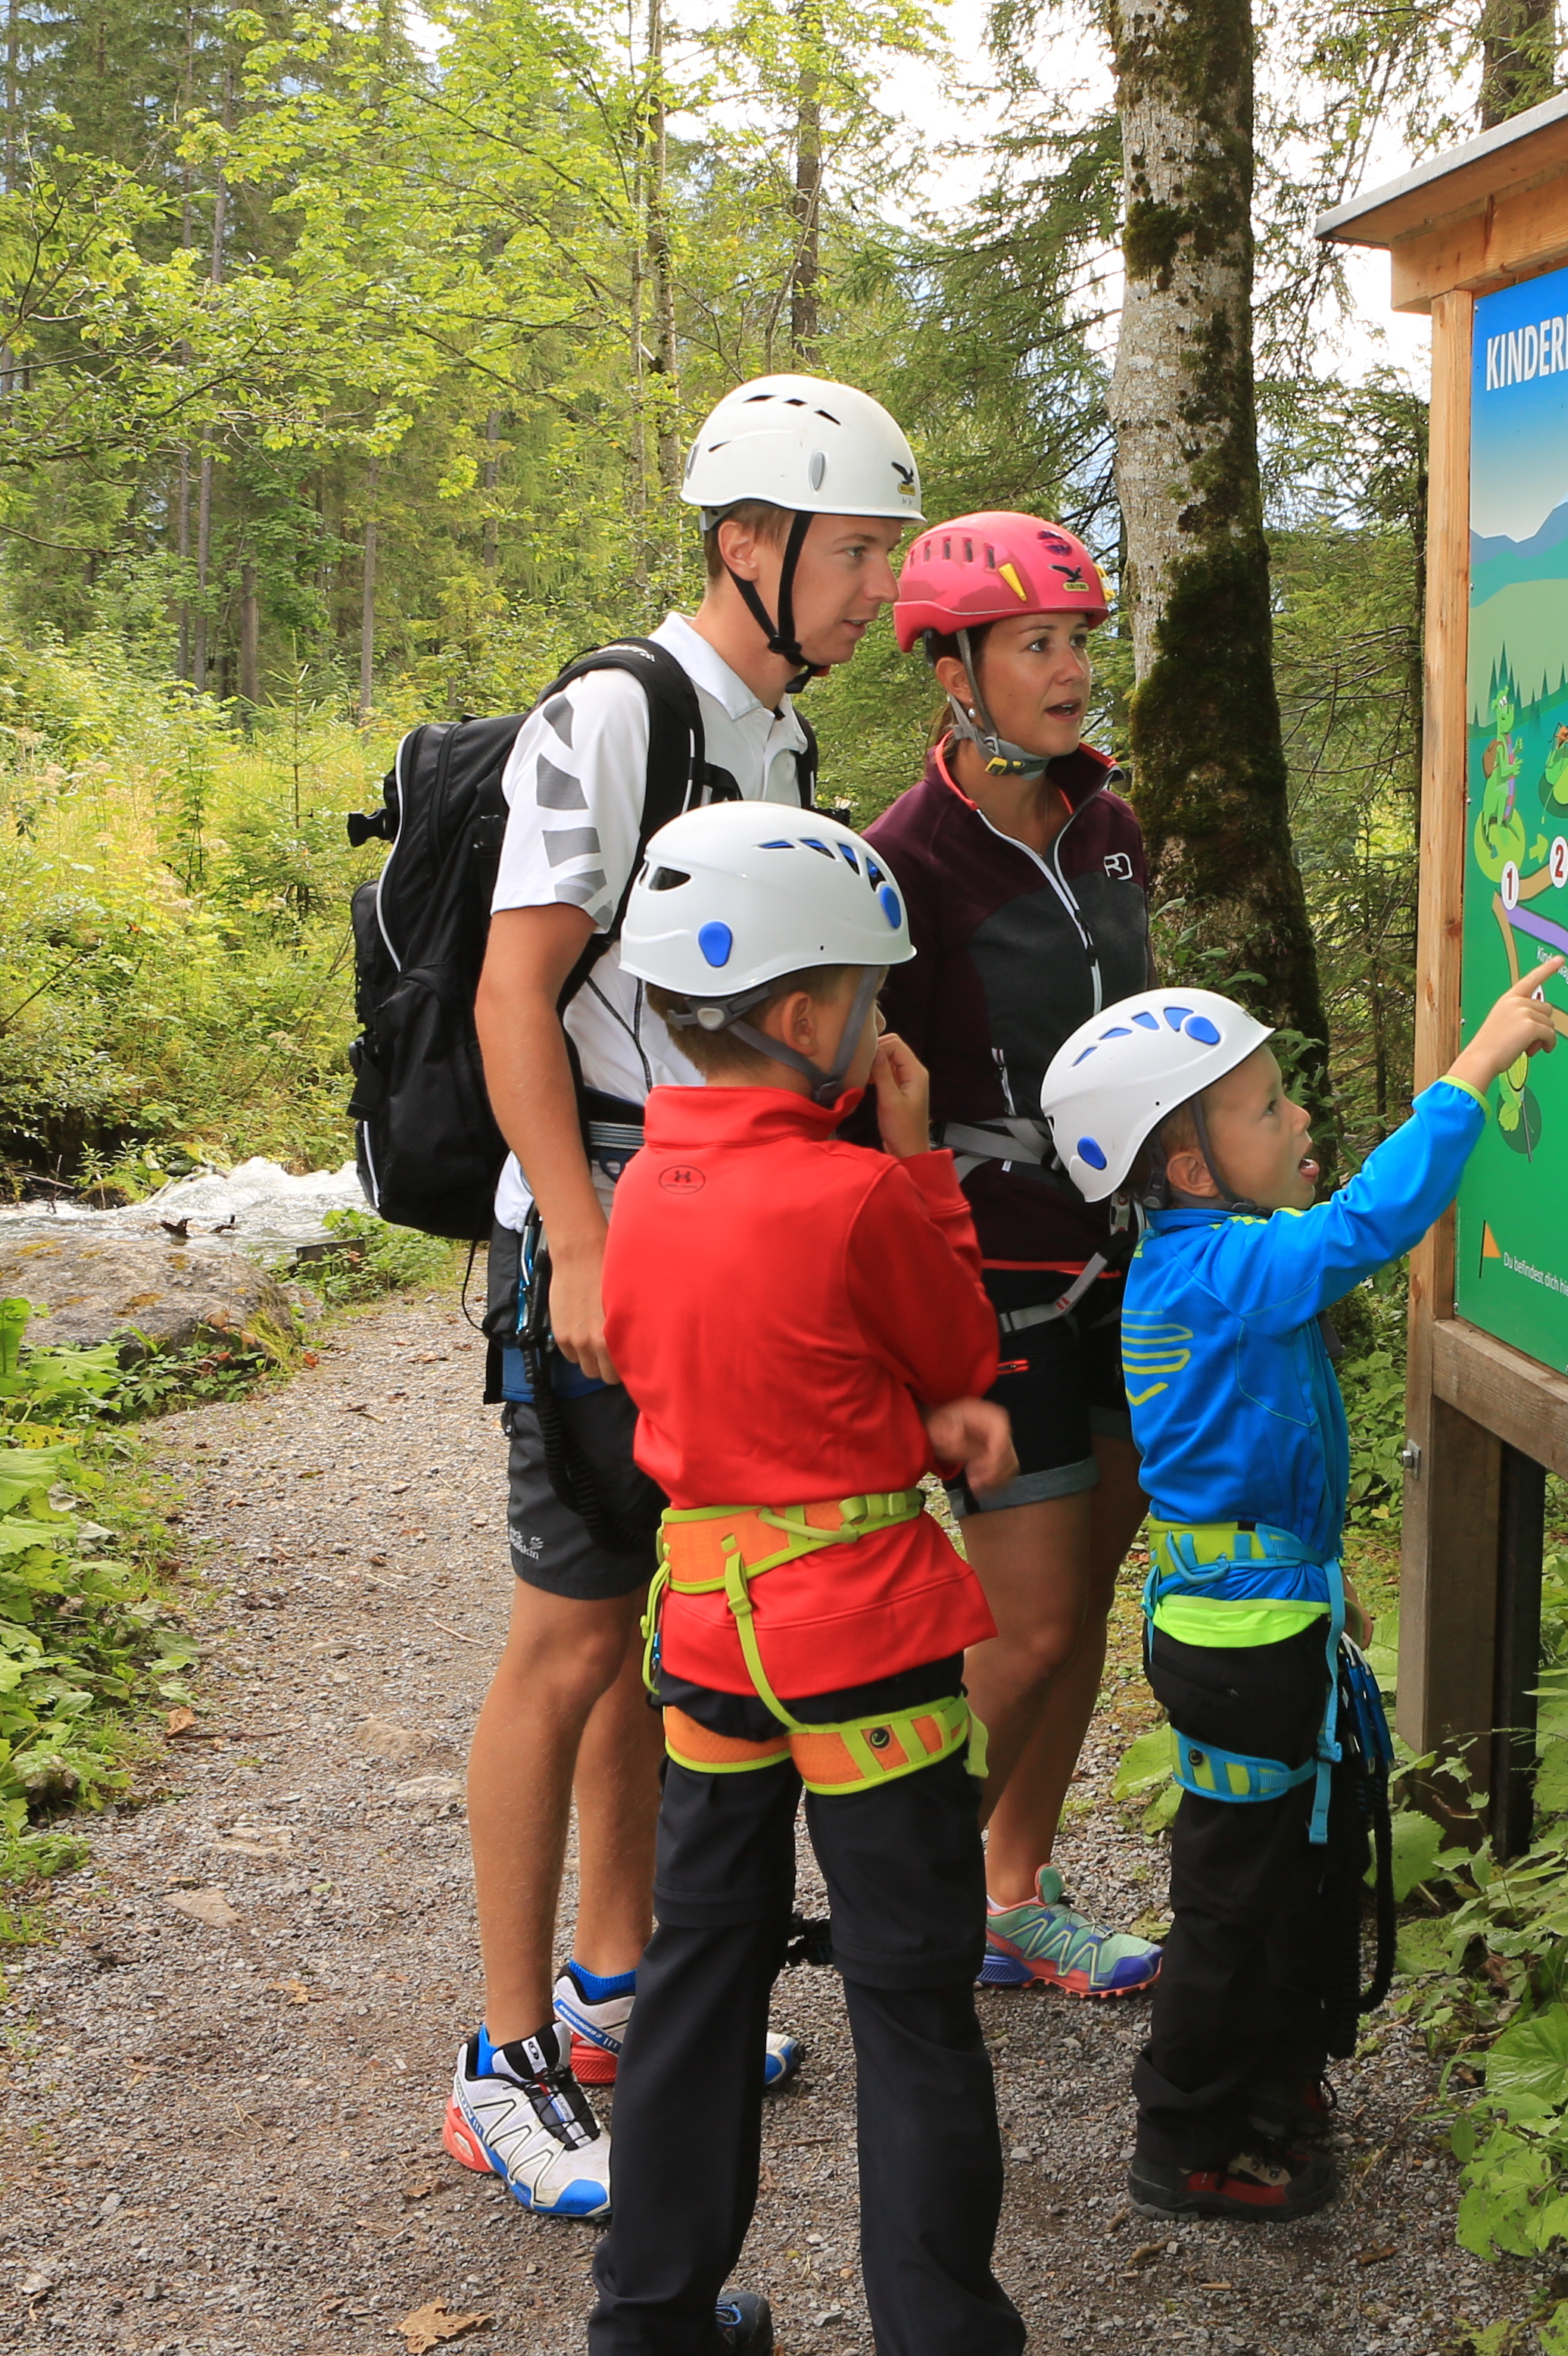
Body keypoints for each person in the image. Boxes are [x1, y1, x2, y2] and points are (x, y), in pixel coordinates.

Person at [444, 376, 924, 2221]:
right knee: (566, 1631)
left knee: (661, 1607)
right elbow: (515, 991)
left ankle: (622, 1975)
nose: (876, 590)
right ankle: (499, 2058)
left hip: (719, 1223)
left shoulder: (774, 734)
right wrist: (572, 1236)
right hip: (609, 1228)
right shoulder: (619, 716)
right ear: (751, 544)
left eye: (884, 554)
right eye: (857, 552)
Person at [589, 801, 1029, 2356]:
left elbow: (727, 1379)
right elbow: (955, 1352)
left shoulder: (642, 1189)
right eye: (872, 991)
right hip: (865, 1642)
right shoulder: (848, 1196)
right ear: (802, 1015)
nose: (887, 1016)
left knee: (700, 1972)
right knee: (907, 1995)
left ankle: (650, 2320)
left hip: (709, 1629)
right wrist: (916, 1166)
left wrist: (882, 1414)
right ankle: (940, 2334)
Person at [1038, 956, 1566, 2221]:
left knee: (1282, 1866)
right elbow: (1365, 1231)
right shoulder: (1214, 1272)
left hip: (1263, 1615)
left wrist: (1325, 1589)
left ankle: (1269, 2084)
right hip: (1244, 1642)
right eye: (1268, 1107)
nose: (1300, 1120)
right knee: (1232, 1891)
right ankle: (1184, 2135)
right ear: (1187, 1167)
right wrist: (1473, 1070)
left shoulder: (1210, 1258)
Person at [864, 509, 1162, 1999]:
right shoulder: (899, 866)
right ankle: (897, 1902)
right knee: (1031, 1618)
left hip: (1136, 1270)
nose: (1068, 671)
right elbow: (858, 1102)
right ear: (955, 669)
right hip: (1000, 1289)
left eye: (1079, 642)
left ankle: (1010, 1892)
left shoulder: (1106, 828)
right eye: (1037, 644)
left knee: (1090, 1584)